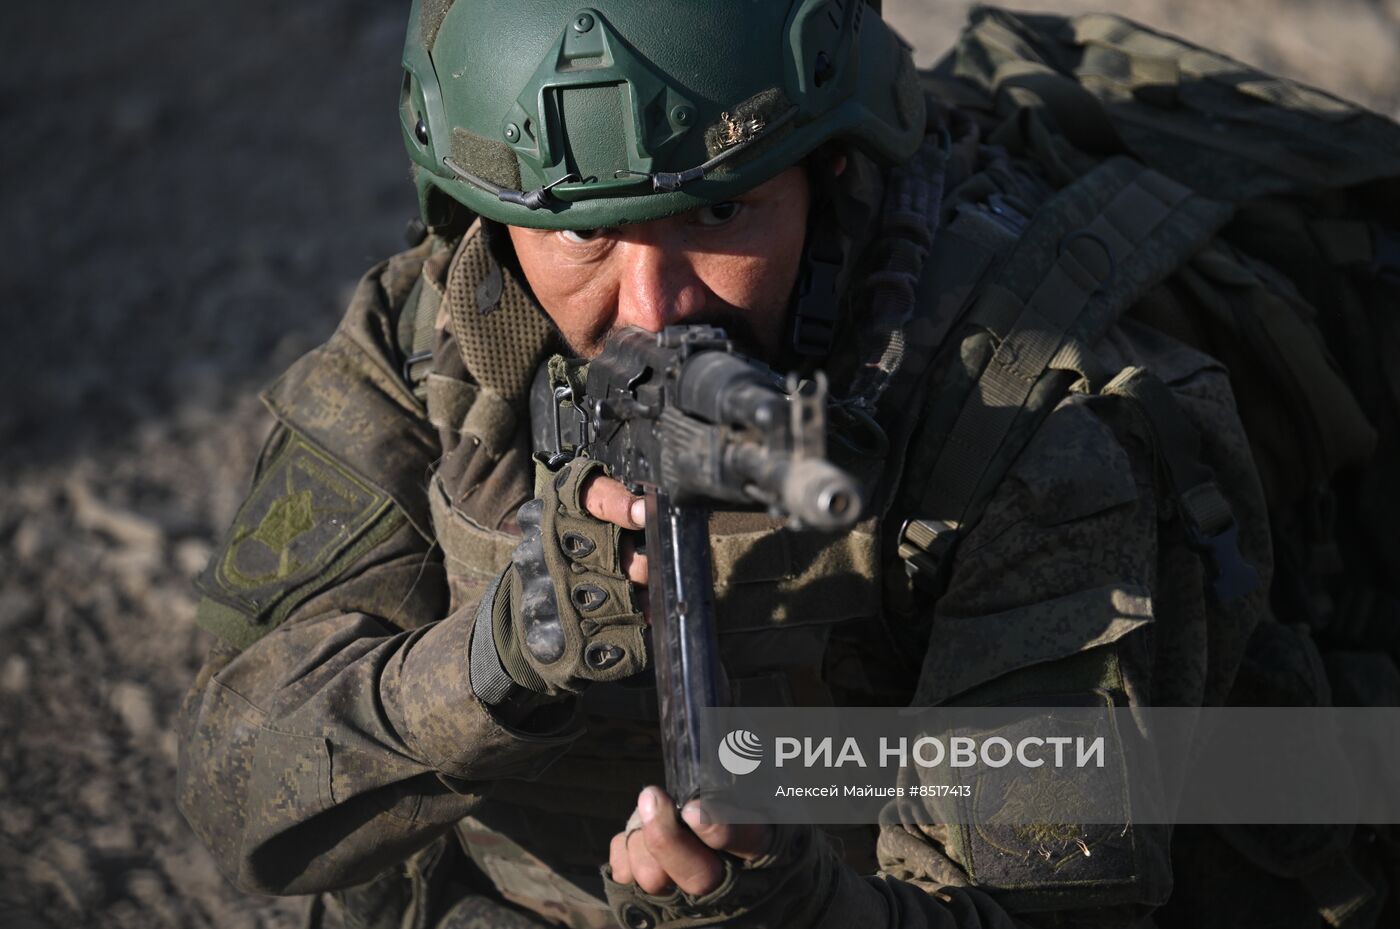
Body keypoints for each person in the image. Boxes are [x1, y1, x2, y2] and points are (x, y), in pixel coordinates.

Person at [177, 2, 1395, 928]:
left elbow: (1043, 906)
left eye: (720, 215)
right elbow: (237, 798)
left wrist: (785, 899)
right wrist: (493, 658)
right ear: (485, 220)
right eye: (581, 234)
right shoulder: (430, 347)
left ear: (832, 174)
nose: (651, 308)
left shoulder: (1032, 427)